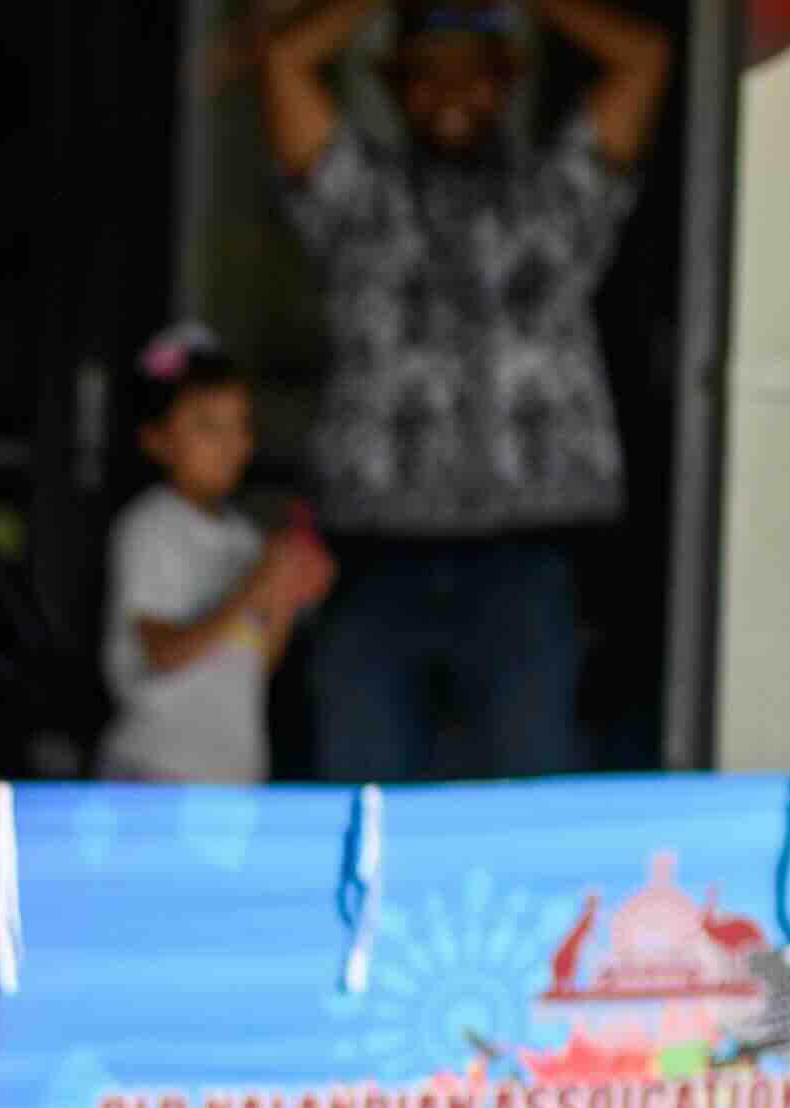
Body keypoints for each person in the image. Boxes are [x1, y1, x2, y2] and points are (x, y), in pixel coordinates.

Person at [254, 0, 667, 784]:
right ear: (396, 86)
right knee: (363, 802)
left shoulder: (556, 200)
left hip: (526, 562)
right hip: (372, 562)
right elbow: (283, 62)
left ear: (508, 82)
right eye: (426, 73)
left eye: (474, 73)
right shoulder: (358, 202)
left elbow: (643, 57)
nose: (450, 92)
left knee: (521, 804)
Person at [96, 324, 328, 787]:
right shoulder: (149, 527)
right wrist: (252, 589)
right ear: (155, 439)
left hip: (229, 778)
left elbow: (251, 666)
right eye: (207, 426)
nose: (231, 445)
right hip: (154, 773)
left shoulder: (244, 538)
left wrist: (286, 595)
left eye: (240, 425)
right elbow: (161, 652)